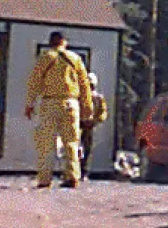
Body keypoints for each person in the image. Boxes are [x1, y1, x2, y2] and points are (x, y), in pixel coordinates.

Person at [25, 31, 93, 188]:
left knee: (46, 142)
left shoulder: (46, 57)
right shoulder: (75, 59)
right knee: (71, 141)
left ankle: (44, 179)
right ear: (64, 42)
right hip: (71, 103)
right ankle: (72, 176)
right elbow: (84, 85)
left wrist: (30, 104)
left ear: (50, 42)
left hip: (50, 102)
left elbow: (34, 81)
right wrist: (87, 107)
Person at [79, 73, 108, 178]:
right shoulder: (80, 96)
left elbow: (103, 112)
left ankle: (83, 169)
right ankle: (77, 169)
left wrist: (96, 120)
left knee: (86, 148)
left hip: (88, 125)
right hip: (79, 124)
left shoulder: (98, 98)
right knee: (79, 147)